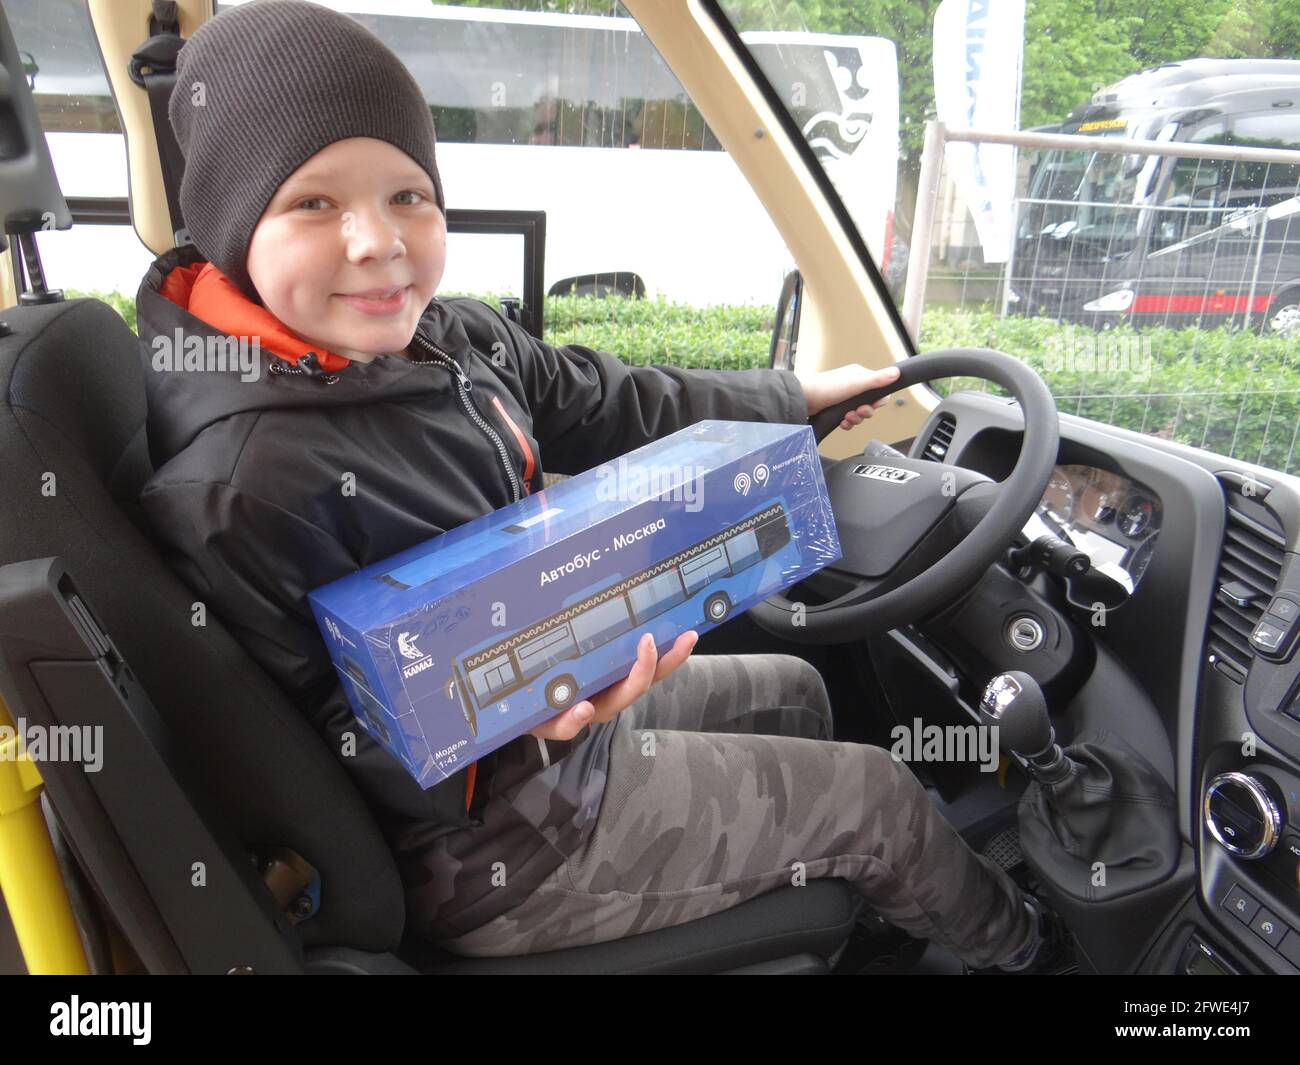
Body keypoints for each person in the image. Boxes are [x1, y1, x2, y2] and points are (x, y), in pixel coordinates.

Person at [135, 0, 1053, 972]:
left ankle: (851, 911)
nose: (379, 241)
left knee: (795, 688)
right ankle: (1024, 951)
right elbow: (328, 749)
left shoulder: (442, 337)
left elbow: (600, 398)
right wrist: (522, 735)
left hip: (570, 737)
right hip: (495, 847)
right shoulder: (242, 486)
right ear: (232, 223)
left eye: (408, 194)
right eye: (313, 204)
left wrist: (793, 397)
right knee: (876, 797)